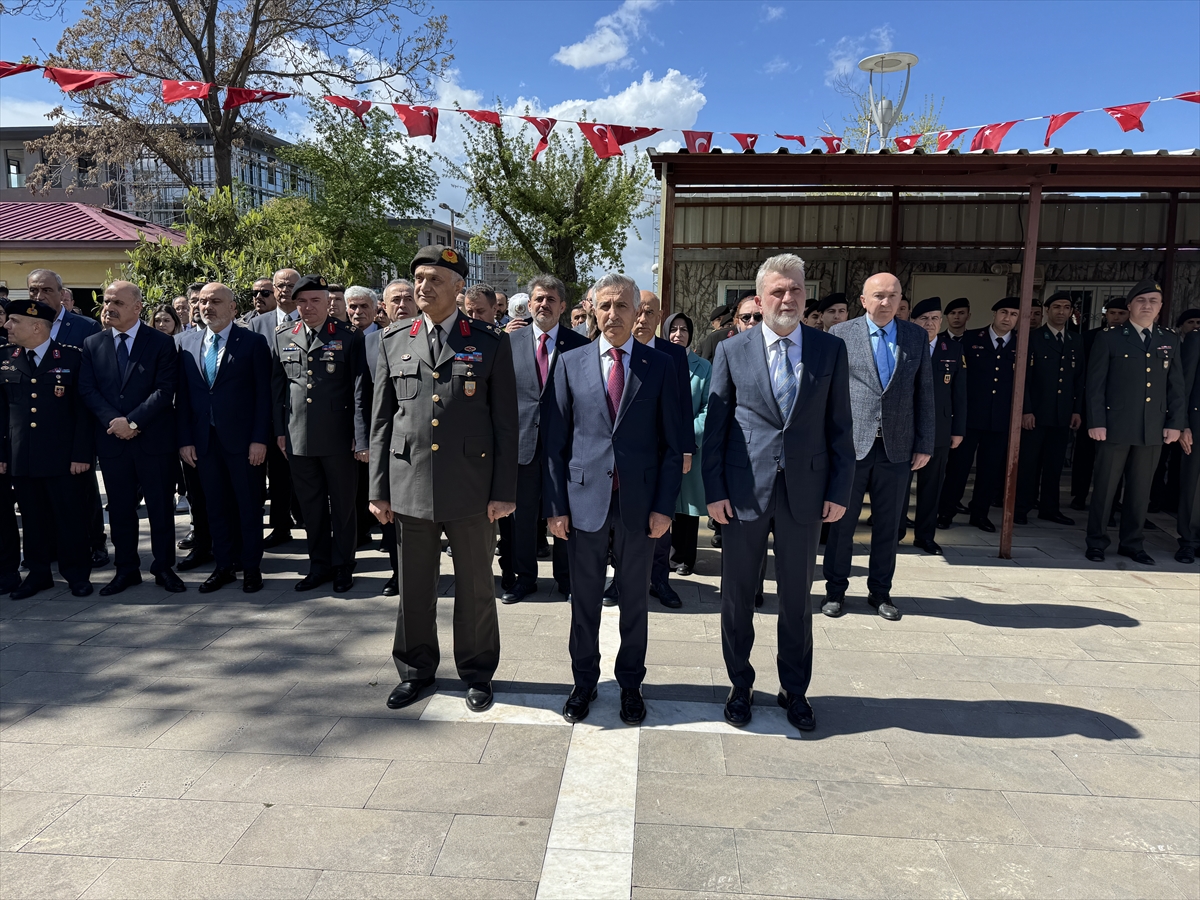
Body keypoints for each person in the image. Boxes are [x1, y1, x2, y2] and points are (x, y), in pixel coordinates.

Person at [705, 253, 854, 733]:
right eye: (777, 291)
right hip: (743, 493)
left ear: (805, 295)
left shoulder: (829, 350)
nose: (787, 298)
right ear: (759, 297)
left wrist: (839, 490)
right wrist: (715, 491)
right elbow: (717, 429)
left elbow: (840, 427)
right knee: (737, 596)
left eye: (795, 290)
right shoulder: (732, 350)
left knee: (796, 599)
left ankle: (795, 688)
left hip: (805, 494)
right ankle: (740, 685)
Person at [369, 245, 518, 714]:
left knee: (475, 587)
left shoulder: (489, 341)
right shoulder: (393, 339)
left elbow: (505, 423)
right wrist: (378, 489)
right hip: (409, 483)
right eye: (418, 279)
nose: (423, 287)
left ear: (458, 288)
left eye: (435, 279)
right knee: (414, 587)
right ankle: (415, 670)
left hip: (471, 486)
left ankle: (477, 671)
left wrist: (503, 492)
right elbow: (381, 421)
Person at [544, 273, 683, 726]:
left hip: (638, 505)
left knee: (635, 601)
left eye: (622, 305)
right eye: (604, 305)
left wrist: (664, 507)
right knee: (583, 599)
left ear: (637, 311)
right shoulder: (571, 362)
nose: (612, 314)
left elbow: (672, 446)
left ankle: (630, 684)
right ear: (592, 309)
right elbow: (555, 443)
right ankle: (583, 681)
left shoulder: (659, 364)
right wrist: (556, 507)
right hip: (584, 502)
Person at [823, 273, 933, 622]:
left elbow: (925, 393)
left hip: (897, 448)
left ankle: (880, 592)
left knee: (889, 526)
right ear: (863, 300)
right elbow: (828, 394)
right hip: (850, 447)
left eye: (893, 296)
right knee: (841, 523)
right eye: (879, 296)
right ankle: (835, 591)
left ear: (901, 299)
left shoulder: (915, 336)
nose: (886, 303)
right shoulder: (841, 334)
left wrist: (925, 442)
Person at [79, 281, 185, 595]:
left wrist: (134, 422)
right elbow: (88, 389)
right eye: (106, 302)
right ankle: (126, 569)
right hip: (113, 440)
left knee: (160, 508)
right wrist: (115, 422)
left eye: (118, 303)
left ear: (138, 307)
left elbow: (165, 390)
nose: (109, 308)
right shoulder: (93, 343)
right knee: (120, 509)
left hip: (153, 441)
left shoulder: (161, 343)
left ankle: (164, 567)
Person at [271, 274, 369, 591]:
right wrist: (280, 431)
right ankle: (319, 565)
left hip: (339, 436)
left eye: (315, 300)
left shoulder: (349, 336)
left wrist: (360, 435)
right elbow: (278, 388)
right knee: (311, 507)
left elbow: (359, 389)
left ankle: (343, 566)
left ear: (328, 303)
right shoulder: (283, 335)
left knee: (342, 506)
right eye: (301, 301)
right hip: (298, 436)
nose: (308, 307)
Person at [497, 274, 587, 604]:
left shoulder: (580, 345)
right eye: (538, 298)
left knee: (565, 514)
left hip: (565, 448)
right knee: (521, 519)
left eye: (551, 299)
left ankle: (566, 579)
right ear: (530, 303)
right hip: (522, 447)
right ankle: (524, 579)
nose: (543, 304)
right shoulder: (509, 343)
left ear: (562, 306)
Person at [177, 283, 272, 593]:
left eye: (215, 301)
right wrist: (185, 439)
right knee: (214, 506)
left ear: (232, 308)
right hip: (204, 442)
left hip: (243, 443)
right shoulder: (186, 343)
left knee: (247, 505)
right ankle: (223, 566)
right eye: (203, 302)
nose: (207, 307)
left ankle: (251, 567)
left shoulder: (253, 342)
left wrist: (259, 439)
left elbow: (264, 396)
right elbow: (184, 397)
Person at [1084, 278, 1186, 564]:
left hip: (1152, 428)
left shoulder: (1169, 339)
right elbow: (1095, 385)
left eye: (1153, 301)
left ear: (1161, 307)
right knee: (1105, 488)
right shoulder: (1110, 337)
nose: (1147, 306)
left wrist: (1175, 423)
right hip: (1114, 426)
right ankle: (1096, 541)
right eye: (1141, 300)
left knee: (1141, 491)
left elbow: (1176, 386)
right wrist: (1096, 421)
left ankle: (1132, 543)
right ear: (1130, 305)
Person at [0, 300, 96, 598]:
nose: (7, 325)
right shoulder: (5, 357)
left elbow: (83, 412)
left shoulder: (71, 357)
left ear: (36, 327)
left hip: (63, 458)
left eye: (14, 321)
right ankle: (38, 573)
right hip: (22, 456)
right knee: (32, 518)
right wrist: (2, 455)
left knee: (70, 517)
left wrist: (82, 454)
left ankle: (77, 574)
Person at [27, 268, 108, 568]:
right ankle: (52, 546)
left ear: (62, 294)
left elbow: (96, 379)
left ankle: (95, 543)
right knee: (44, 493)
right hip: (37, 425)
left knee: (83, 489)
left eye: (46, 290)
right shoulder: (23, 325)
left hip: (75, 423)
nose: (39, 296)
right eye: (34, 290)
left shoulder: (85, 327)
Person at [630, 290, 693, 609]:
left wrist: (685, 449)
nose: (642, 319)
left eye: (649, 313)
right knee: (620, 520)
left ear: (659, 318)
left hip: (662, 453)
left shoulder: (673, 354)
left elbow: (683, 405)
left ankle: (659, 579)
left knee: (661, 516)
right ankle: (621, 578)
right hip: (624, 454)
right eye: (638, 311)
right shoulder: (616, 350)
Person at [937, 297, 1020, 532]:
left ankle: (980, 513)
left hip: (1000, 417)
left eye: (1013, 314)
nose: (1007, 318)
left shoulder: (1022, 343)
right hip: (970, 416)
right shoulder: (971, 339)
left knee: (990, 469)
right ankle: (946, 511)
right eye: (1003, 312)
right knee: (958, 467)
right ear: (994, 314)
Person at [1015, 291, 1084, 525]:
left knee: (1054, 464)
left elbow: (1079, 379)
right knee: (1028, 463)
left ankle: (1049, 508)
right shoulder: (1033, 337)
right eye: (1056, 307)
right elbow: (1024, 378)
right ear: (1047, 310)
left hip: (1062, 413)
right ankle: (1021, 507)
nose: (1061, 311)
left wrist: (1076, 410)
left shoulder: (1075, 340)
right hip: (1036, 412)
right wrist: (1026, 410)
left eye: (1066, 307)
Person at [907, 298, 966, 555]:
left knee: (931, 487)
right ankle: (896, 532)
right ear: (913, 321)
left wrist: (958, 429)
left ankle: (925, 536)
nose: (929, 323)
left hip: (939, 428)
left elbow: (960, 393)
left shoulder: (951, 349)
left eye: (934, 318)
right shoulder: (903, 345)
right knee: (899, 486)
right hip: (905, 427)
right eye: (924, 318)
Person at [249, 268, 302, 547]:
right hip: (263, 410)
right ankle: (275, 525)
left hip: (296, 410)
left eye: (290, 285)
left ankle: (295, 520)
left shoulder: (309, 319)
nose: (284, 290)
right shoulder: (257, 324)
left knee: (291, 473)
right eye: (279, 285)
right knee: (266, 473)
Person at [663, 311, 711, 575]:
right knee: (663, 502)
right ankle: (662, 553)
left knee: (687, 505)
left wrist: (687, 439)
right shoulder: (658, 360)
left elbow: (707, 408)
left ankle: (684, 557)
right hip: (662, 445)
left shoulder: (703, 367)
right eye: (673, 329)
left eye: (683, 329)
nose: (678, 334)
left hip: (690, 446)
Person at [1071, 297, 1130, 511]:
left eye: (1121, 313)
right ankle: (1079, 495)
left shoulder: (1131, 338)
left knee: (1116, 456)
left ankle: (1113, 500)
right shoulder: (1090, 337)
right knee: (1084, 453)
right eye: (1112, 313)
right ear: (1105, 314)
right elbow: (1082, 372)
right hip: (1091, 402)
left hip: (1118, 407)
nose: (1116, 317)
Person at [1175, 329, 1200, 563]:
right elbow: (1183, 384)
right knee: (1193, 486)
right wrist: (1183, 424)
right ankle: (1189, 541)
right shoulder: (1196, 339)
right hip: (1197, 424)